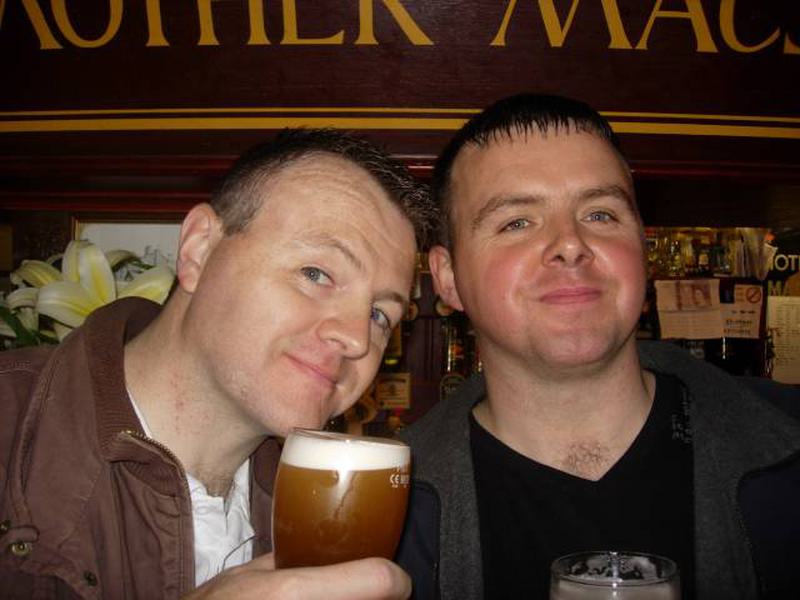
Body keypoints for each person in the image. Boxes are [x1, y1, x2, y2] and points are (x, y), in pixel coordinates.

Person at [0, 128, 435, 599]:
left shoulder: (327, 508)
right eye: (316, 273)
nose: (355, 339)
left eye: (379, 315)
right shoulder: (10, 430)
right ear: (198, 249)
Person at [395, 94, 800, 599]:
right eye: (516, 222)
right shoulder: (390, 517)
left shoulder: (789, 451)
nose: (570, 243)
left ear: (642, 250)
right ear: (448, 278)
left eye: (601, 214)